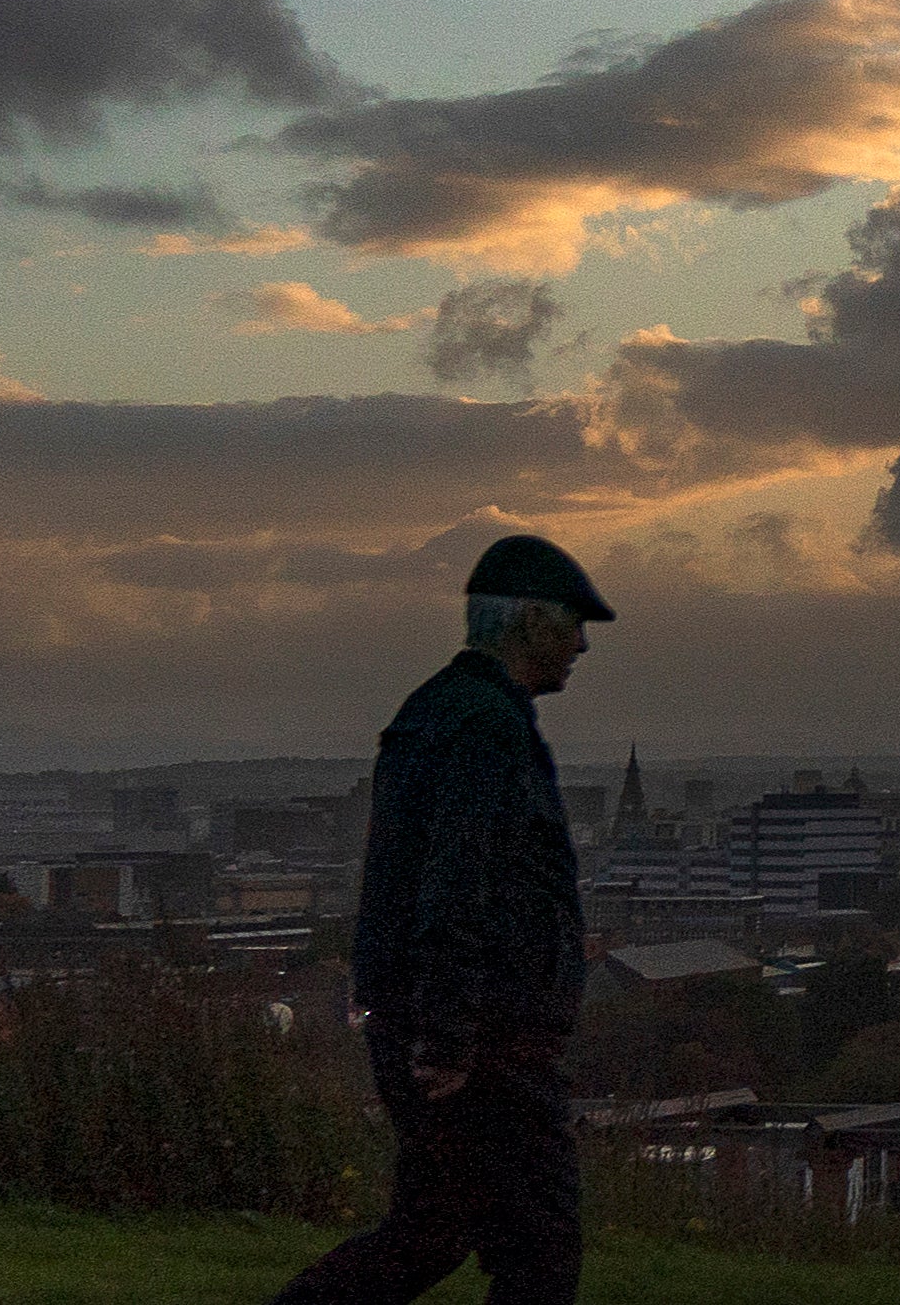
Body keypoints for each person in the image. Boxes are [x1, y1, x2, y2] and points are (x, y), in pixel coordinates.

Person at [272, 533, 612, 1305]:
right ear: (528, 622)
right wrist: (451, 1038)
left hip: (440, 1028)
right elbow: (457, 885)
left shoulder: (435, 711)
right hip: (487, 1043)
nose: (583, 645)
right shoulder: (486, 725)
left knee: (428, 1233)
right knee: (539, 1249)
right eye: (572, 624)